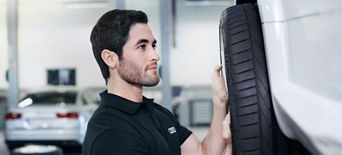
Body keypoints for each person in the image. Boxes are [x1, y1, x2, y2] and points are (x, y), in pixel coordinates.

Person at [82, 9, 232, 155]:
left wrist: (219, 100)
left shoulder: (157, 113)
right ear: (111, 59)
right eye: (142, 47)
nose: (155, 55)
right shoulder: (111, 134)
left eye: (153, 46)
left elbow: (202, 152)